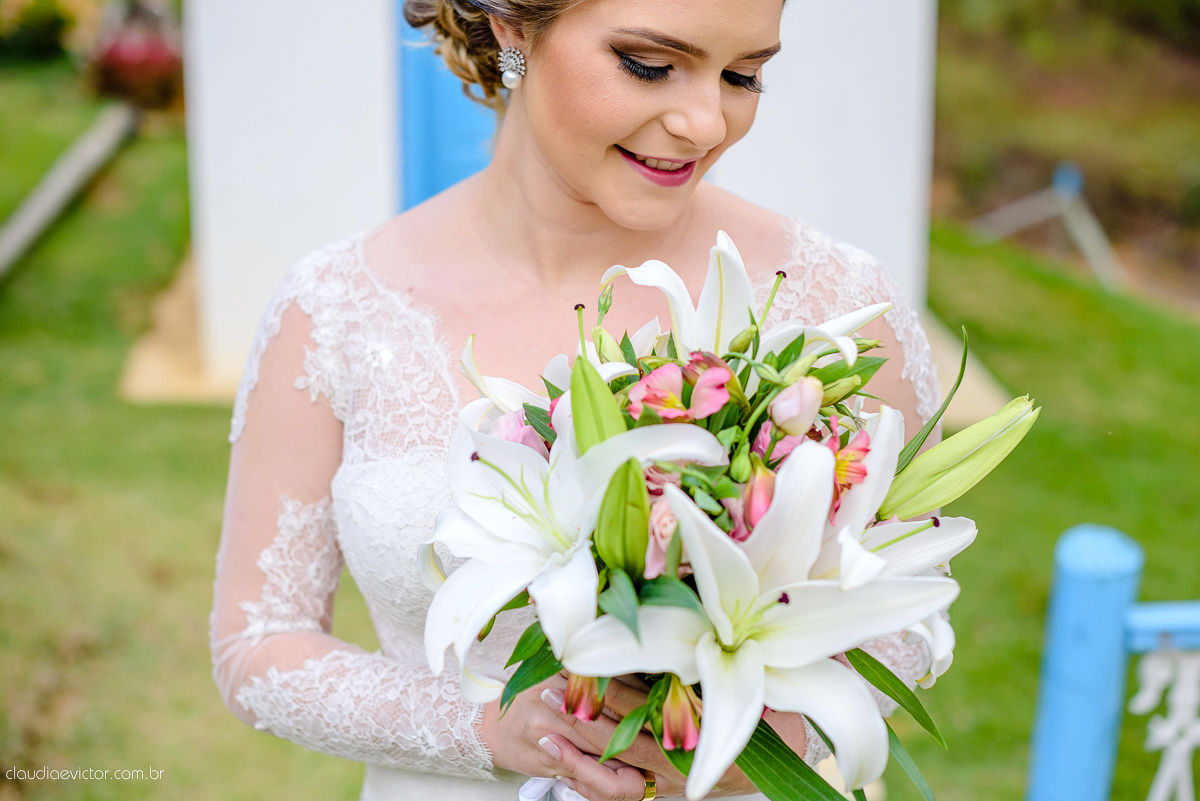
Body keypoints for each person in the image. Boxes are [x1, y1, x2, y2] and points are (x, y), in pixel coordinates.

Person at [209, 0, 944, 799]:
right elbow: (258, 641)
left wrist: (758, 751)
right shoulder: (338, 309)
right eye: (650, 65)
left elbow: (909, 616)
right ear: (513, 28)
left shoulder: (833, 301)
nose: (705, 123)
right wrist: (489, 727)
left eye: (743, 75)